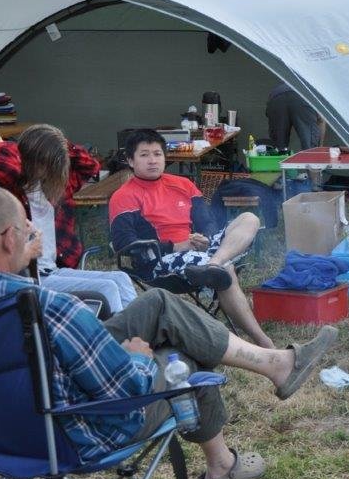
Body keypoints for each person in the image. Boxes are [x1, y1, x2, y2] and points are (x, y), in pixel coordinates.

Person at [0, 186, 338, 479]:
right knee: (181, 359)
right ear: (10, 238)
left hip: (9, 439)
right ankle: (222, 463)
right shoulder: (55, 309)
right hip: (76, 433)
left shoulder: (31, 307)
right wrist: (139, 357)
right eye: (27, 229)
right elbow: (126, 389)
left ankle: (275, 363)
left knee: (157, 303)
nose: (33, 234)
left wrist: (23, 261)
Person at [109, 129, 274, 348]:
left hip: (201, 253)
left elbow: (207, 221)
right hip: (160, 261)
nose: (152, 160)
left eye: (157, 154)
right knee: (226, 270)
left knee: (249, 218)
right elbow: (125, 244)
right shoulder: (124, 196)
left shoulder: (183, 184)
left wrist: (205, 238)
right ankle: (264, 343)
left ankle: (214, 264)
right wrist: (176, 247)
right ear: (131, 160)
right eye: (144, 155)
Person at [0, 123, 138, 313]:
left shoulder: (58, 186)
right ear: (30, 158)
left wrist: (59, 143)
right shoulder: (12, 186)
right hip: (30, 276)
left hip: (54, 270)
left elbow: (90, 166)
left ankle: (138, 327)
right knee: (107, 287)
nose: (48, 169)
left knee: (120, 278)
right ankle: (116, 330)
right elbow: (1, 161)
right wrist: (28, 147)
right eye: (45, 162)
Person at [266, 82, 325, 151]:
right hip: (304, 96)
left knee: (278, 148)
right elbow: (321, 120)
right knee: (310, 147)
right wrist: (319, 147)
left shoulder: (290, 82)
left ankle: (277, 153)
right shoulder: (317, 90)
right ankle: (311, 154)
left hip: (276, 96)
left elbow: (268, 114)